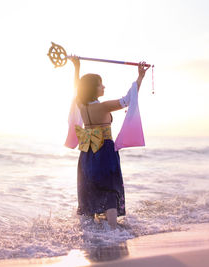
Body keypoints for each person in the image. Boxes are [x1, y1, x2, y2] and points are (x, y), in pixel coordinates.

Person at [69, 56, 150, 229]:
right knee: (109, 188)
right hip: (104, 151)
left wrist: (77, 67)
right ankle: (114, 233)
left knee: (89, 190)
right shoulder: (103, 106)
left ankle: (90, 233)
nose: (103, 86)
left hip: (87, 153)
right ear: (93, 88)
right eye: (100, 84)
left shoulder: (81, 105)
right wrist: (140, 77)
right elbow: (128, 99)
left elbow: (78, 88)